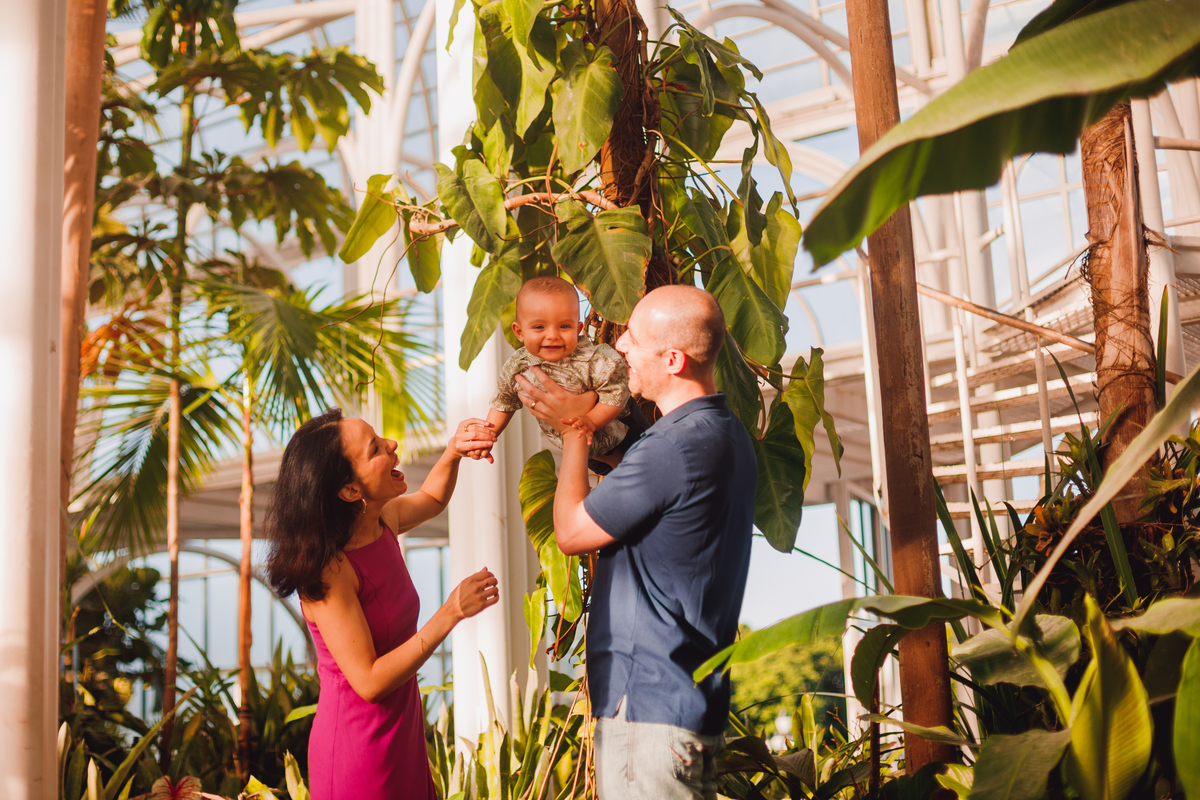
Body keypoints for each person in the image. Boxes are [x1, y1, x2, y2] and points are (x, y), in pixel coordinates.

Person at [514, 285, 757, 800]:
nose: (619, 345)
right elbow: (651, 490)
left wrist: (575, 431)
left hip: (648, 704)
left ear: (672, 359)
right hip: (686, 702)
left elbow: (573, 532)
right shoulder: (724, 434)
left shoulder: (674, 446)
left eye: (633, 338)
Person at [263, 409, 500, 800]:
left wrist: (454, 451)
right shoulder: (329, 572)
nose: (392, 446)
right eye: (376, 449)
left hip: (401, 735)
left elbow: (433, 498)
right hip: (360, 752)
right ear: (350, 490)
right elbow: (369, 682)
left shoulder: (380, 523)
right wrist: (451, 611)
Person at [474, 275, 647, 474]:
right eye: (539, 327)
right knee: (620, 479)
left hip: (625, 431)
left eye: (564, 326)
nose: (553, 335)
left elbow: (615, 397)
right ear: (519, 332)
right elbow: (503, 402)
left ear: (578, 329)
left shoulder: (594, 360)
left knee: (646, 468)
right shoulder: (517, 367)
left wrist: (590, 421)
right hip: (587, 449)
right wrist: (488, 435)